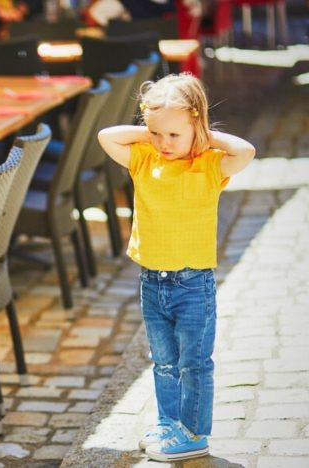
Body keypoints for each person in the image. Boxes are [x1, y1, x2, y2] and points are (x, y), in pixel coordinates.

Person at [98, 73, 255, 462]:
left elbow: (247, 150)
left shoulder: (209, 166)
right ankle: (170, 424)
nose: (164, 144)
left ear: (195, 126)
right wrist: (152, 130)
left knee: (194, 363)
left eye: (174, 135)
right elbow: (106, 135)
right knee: (164, 363)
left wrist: (203, 135)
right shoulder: (143, 158)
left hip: (193, 284)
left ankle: (195, 432)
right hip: (152, 282)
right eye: (157, 133)